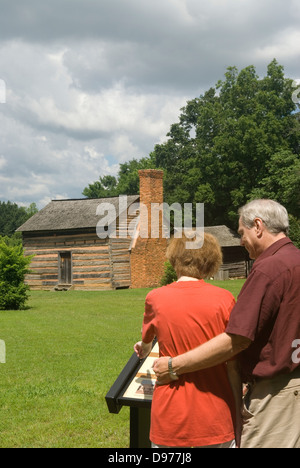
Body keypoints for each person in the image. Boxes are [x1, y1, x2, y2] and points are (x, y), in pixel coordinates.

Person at [153, 199, 300, 449]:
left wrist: (173, 364)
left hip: (275, 392)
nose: (241, 241)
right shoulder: (295, 259)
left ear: (258, 226)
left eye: (242, 233)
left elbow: (238, 339)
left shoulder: (268, 269)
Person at [134, 233, 242, 448]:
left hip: (170, 412)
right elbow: (233, 357)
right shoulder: (225, 299)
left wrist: (143, 348)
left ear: (174, 259)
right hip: (215, 409)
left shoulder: (155, 297)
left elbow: (146, 344)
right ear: (210, 262)